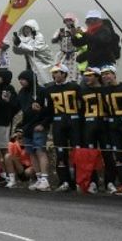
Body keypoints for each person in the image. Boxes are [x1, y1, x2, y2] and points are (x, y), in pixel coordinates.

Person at [40, 63, 80, 192]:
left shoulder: (75, 87)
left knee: (77, 151)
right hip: (58, 122)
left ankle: (79, 180)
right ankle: (64, 181)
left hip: (74, 121)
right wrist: (45, 123)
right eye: (53, 73)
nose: (54, 75)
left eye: (57, 72)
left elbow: (82, 105)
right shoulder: (49, 90)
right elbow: (49, 110)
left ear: (64, 73)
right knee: (60, 152)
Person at [17, 71, 53, 191]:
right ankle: (38, 178)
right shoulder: (21, 93)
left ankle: (45, 179)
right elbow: (21, 109)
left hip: (39, 126)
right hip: (27, 126)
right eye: (19, 79)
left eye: (23, 79)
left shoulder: (42, 91)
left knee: (40, 151)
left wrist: (44, 124)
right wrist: (21, 127)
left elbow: (50, 110)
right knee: (31, 152)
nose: (21, 82)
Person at [100, 65, 122, 193]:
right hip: (113, 125)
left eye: (108, 73)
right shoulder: (103, 91)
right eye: (103, 74)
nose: (105, 76)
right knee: (119, 154)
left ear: (114, 74)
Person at [12, 19, 55, 85]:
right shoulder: (24, 39)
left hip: (42, 62)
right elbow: (17, 52)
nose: (26, 30)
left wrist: (20, 44)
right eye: (25, 28)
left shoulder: (39, 37)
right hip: (30, 63)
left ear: (33, 28)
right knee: (32, 82)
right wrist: (16, 44)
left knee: (45, 80)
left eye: (28, 28)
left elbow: (35, 49)